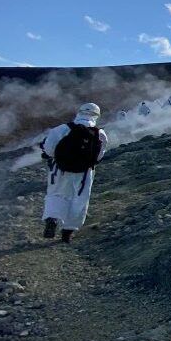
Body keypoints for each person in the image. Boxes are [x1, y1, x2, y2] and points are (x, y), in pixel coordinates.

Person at [39, 103, 108, 243]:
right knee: (80, 199)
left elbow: (49, 150)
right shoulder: (100, 133)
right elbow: (99, 157)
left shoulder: (61, 129)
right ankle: (68, 232)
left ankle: (52, 218)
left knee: (56, 193)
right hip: (84, 173)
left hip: (60, 169)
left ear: (79, 112)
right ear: (97, 116)